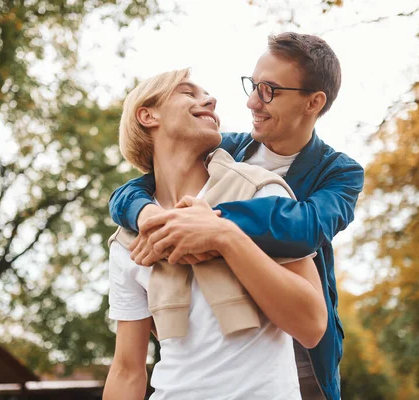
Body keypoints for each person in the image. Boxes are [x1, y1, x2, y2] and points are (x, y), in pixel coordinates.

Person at [109, 32, 364, 400]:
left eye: (269, 91)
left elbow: (303, 226)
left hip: (301, 352)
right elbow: (138, 187)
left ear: (314, 102)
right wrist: (146, 214)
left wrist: (215, 226)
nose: (250, 102)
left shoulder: (338, 172)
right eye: (253, 86)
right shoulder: (220, 149)